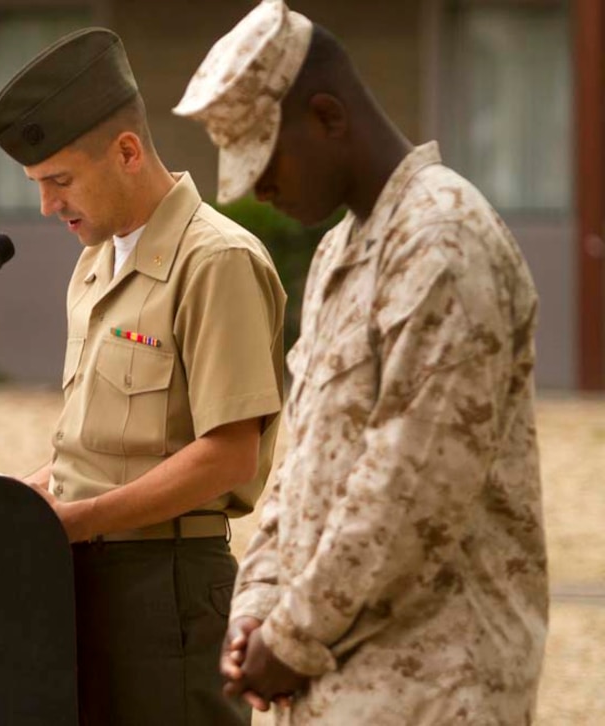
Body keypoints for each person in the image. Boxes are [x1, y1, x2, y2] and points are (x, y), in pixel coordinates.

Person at [173, 1, 549, 722]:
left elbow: (412, 482)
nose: (258, 189)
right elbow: (301, 463)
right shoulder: (340, 252)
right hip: (333, 681)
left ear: (329, 117)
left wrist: (291, 633)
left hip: (437, 689)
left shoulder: (441, 240)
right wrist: (257, 608)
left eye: (266, 160)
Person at [0, 28, 286, 726]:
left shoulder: (214, 261)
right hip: (83, 577)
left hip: (169, 588)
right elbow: (100, 448)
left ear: (126, 152)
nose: (47, 206)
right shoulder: (94, 264)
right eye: (37, 186)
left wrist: (81, 519)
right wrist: (23, 497)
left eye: (59, 181)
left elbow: (229, 454)